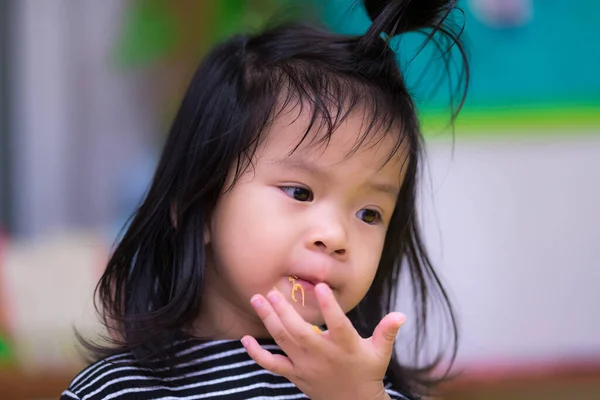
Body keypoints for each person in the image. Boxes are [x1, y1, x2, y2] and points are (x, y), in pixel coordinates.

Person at [61, 0, 468, 398]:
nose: (334, 235)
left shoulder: (368, 391)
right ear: (196, 204)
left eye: (369, 213)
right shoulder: (114, 390)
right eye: (300, 192)